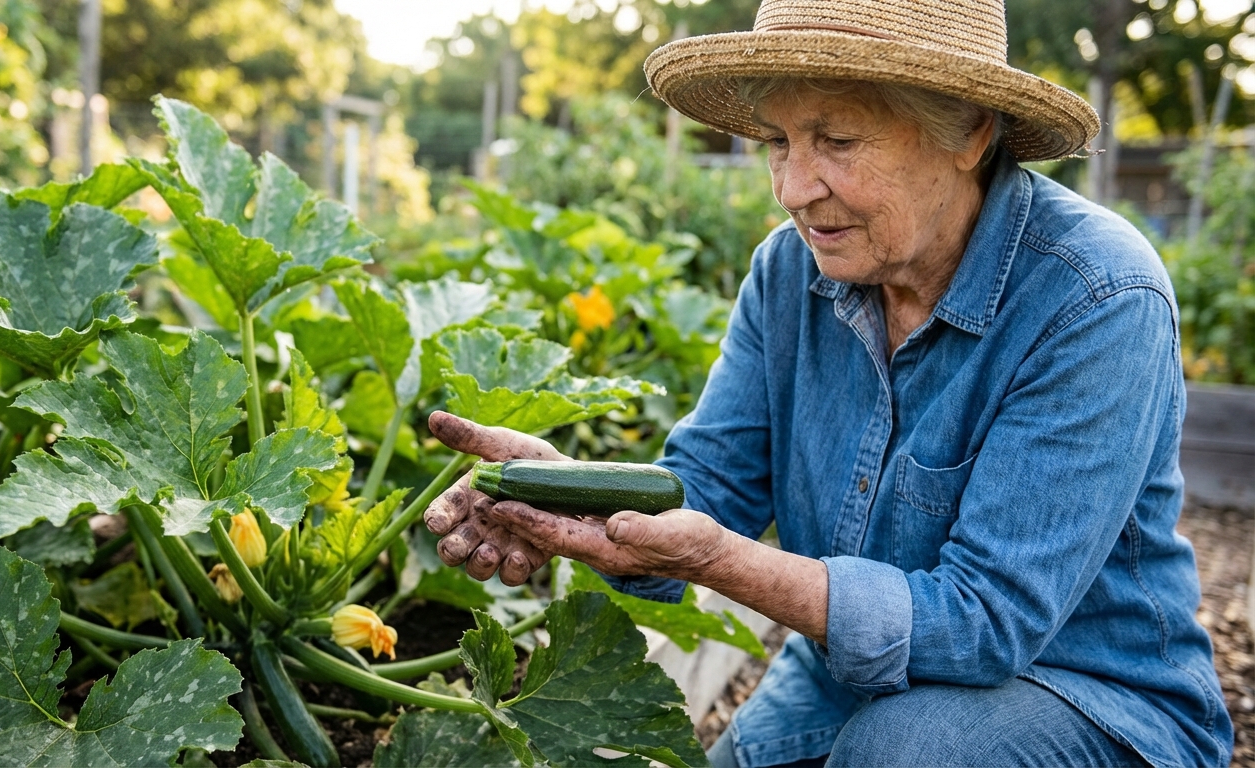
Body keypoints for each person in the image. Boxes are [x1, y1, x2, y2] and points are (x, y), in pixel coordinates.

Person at [422, 0, 1233, 764]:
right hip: (844, 686)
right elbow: (706, 488)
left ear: (971, 132)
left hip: (1092, 699)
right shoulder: (789, 272)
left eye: (838, 141)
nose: (793, 189)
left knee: (903, 750)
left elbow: (985, 624)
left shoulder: (1096, 296)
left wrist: (720, 562)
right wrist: (568, 498)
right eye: (778, 141)